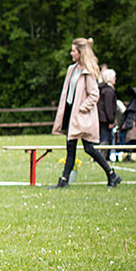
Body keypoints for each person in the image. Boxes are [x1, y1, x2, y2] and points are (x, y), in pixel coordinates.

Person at [51, 39, 122, 187]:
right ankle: (64, 180)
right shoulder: (72, 69)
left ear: (80, 53)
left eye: (73, 51)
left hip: (81, 116)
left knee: (88, 148)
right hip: (71, 114)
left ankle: (112, 174)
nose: (71, 53)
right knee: (71, 147)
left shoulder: (87, 73)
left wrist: (82, 108)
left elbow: (94, 94)